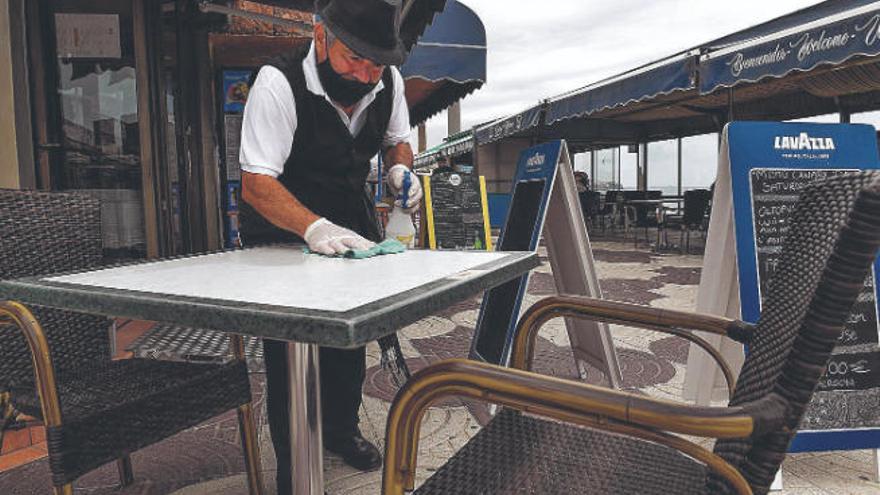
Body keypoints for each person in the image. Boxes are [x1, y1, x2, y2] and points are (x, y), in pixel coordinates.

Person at [237, 1, 421, 493]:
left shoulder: (389, 82)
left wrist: (402, 168)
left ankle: (341, 431)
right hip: (280, 226)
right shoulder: (277, 82)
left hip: (350, 220)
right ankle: (294, 467)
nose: (363, 75)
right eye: (353, 59)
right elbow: (256, 183)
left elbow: (398, 140)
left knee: (348, 338)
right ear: (321, 37)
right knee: (292, 350)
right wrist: (313, 229)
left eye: (375, 64)